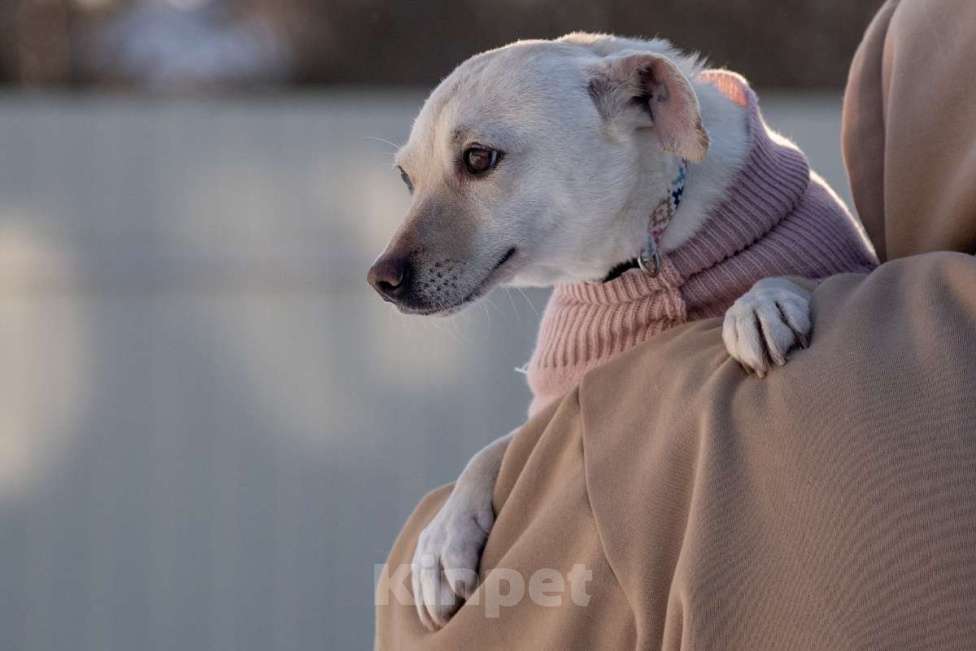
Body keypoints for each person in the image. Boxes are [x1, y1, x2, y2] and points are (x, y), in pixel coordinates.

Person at [376, 1, 976, 647]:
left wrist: (793, 290)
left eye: (478, 162)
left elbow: (866, 327)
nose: (396, 256)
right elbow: (559, 444)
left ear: (646, 103)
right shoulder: (588, 291)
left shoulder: (786, 213)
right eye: (414, 180)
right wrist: (478, 484)